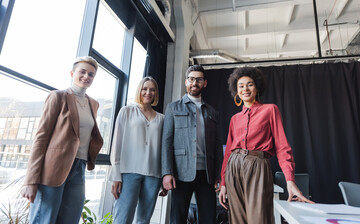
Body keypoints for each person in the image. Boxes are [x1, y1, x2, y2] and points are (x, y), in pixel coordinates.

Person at [218, 67, 314, 224]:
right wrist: (223, 183)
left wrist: (290, 180)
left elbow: (282, 147)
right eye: (241, 86)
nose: (245, 89)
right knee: (237, 220)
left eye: (250, 84)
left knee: (259, 218)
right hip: (233, 167)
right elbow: (228, 152)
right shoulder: (235, 119)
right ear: (236, 91)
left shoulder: (270, 110)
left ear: (257, 88)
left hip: (257, 166)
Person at [21, 56, 104, 223]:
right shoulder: (57, 97)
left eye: (91, 74)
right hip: (54, 167)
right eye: (82, 72)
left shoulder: (93, 104)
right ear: (72, 73)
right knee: (45, 218)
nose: (86, 76)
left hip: (79, 167)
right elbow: (41, 138)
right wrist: (30, 180)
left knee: (70, 218)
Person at [162, 65, 223, 224]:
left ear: (205, 83)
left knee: (209, 218)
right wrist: (167, 172)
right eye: (191, 79)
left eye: (199, 79)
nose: (194, 82)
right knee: (178, 218)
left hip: (207, 174)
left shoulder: (212, 112)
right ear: (186, 82)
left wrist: (219, 174)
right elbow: (166, 142)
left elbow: (217, 146)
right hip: (181, 172)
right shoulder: (173, 108)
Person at [109, 76, 164, 224]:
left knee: (143, 220)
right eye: (145, 89)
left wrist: (164, 175)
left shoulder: (162, 118)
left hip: (153, 174)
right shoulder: (126, 111)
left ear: (156, 93)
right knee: (122, 218)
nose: (148, 92)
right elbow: (117, 143)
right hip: (128, 173)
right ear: (139, 90)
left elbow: (165, 150)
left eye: (152, 90)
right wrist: (116, 175)